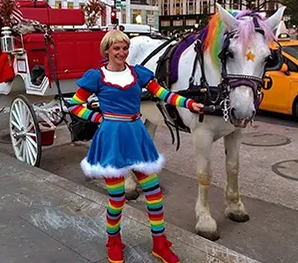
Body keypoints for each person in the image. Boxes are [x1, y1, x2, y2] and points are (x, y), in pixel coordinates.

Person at [68, 29, 206, 263]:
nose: (122, 52)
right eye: (117, 49)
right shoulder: (96, 76)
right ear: (107, 51)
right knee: (117, 198)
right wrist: (99, 119)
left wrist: (189, 103)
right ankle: (113, 241)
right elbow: (75, 105)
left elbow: (164, 94)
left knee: (154, 194)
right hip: (112, 139)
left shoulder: (138, 74)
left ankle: (160, 244)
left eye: (125, 48)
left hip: (136, 135)